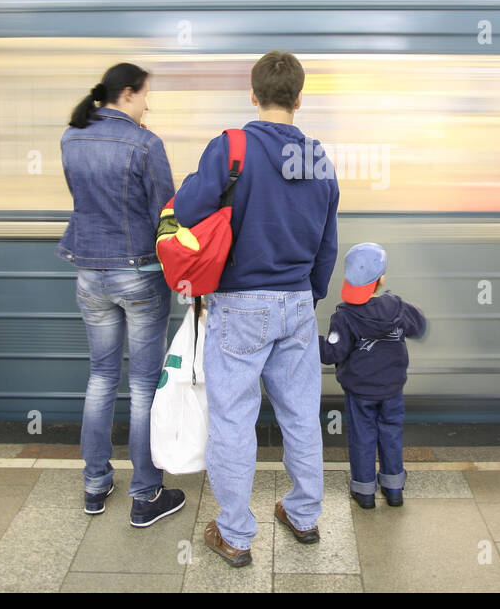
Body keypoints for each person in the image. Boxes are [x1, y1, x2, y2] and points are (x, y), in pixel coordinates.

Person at [175, 50, 340, 567]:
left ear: (253, 94)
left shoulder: (232, 147)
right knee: (300, 416)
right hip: (295, 301)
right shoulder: (317, 158)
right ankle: (304, 515)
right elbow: (327, 243)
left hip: (240, 304)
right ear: (298, 97)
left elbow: (185, 212)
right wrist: (307, 296)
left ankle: (236, 535)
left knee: (232, 419)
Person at [58, 63, 184, 526]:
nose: (148, 103)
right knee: (143, 385)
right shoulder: (145, 144)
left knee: (100, 378)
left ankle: (95, 484)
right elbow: (165, 213)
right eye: (146, 94)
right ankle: (146, 493)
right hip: (139, 274)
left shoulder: (71, 137)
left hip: (90, 272)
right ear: (128, 93)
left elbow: (85, 197)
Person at [319, 243, 427, 509]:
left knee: (362, 436)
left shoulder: (344, 317)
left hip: (359, 392)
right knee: (391, 434)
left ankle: (364, 492)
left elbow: (332, 352)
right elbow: (419, 326)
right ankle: (393, 489)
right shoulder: (398, 307)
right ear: (381, 279)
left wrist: (311, 340)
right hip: (392, 390)